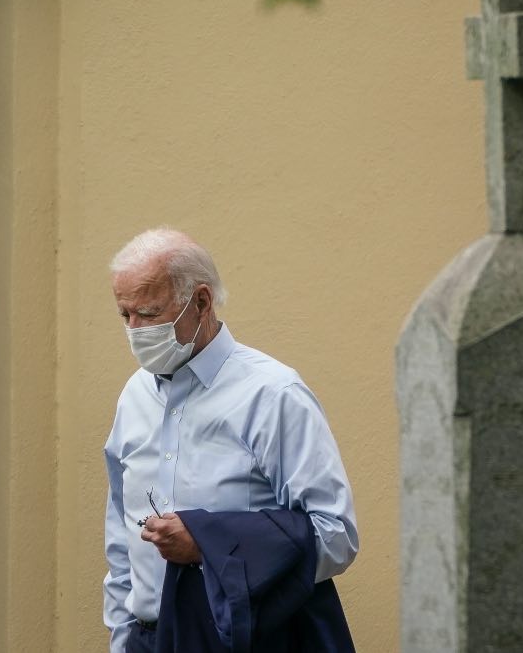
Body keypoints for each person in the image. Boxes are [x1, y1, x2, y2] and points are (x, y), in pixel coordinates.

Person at [102, 227, 359, 652]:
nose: (134, 330)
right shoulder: (134, 395)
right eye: (124, 315)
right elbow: (120, 530)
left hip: (245, 638)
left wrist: (210, 545)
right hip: (149, 639)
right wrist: (122, 634)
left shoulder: (272, 394)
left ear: (201, 302)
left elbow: (336, 536)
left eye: (147, 313)